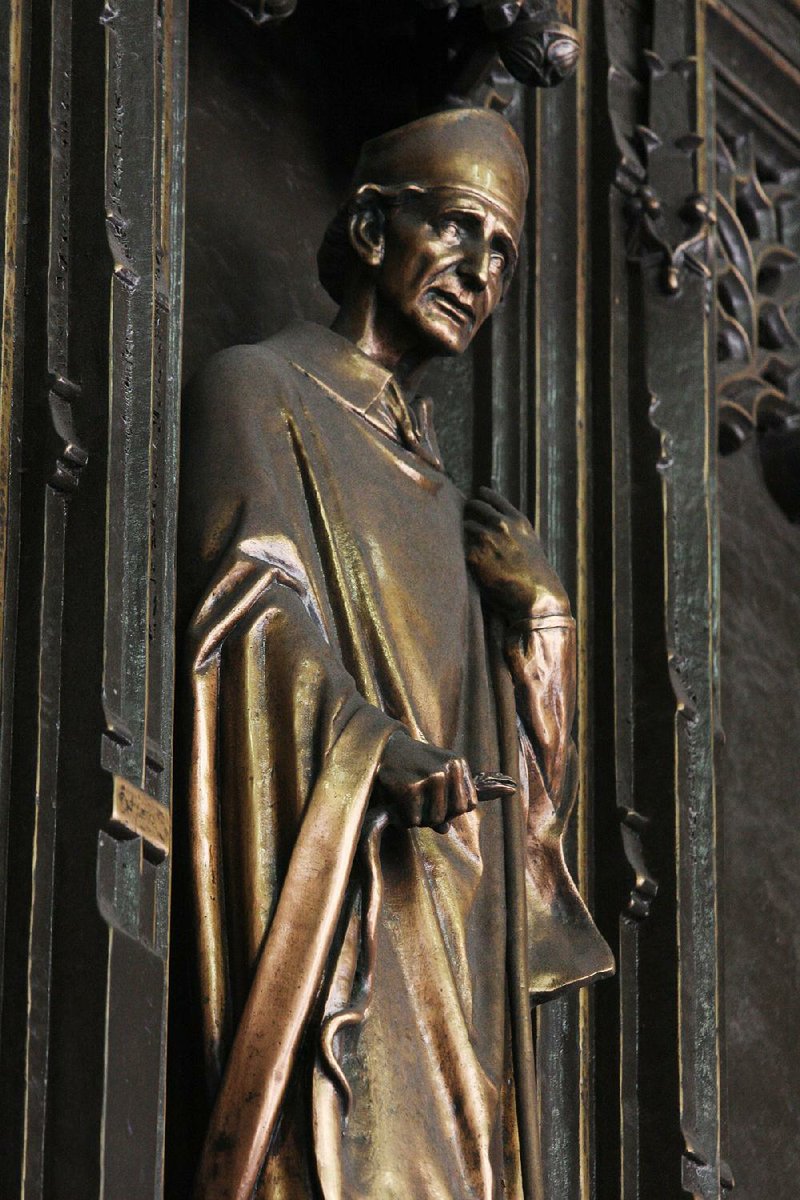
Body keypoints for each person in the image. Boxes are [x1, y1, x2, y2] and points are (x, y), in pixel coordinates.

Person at [179, 106, 612, 1200]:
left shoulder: (456, 510)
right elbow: (251, 609)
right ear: (373, 229)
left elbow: (521, 805)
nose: (480, 275)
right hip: (348, 909)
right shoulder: (259, 388)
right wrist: (374, 751)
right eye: (461, 231)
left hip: (453, 944)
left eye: (504, 256)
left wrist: (543, 627)